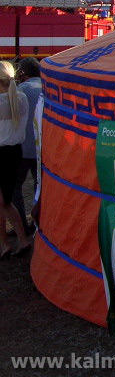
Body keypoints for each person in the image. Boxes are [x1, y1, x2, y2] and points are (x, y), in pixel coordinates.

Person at [0, 61, 32, 258]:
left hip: (2, 153)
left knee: (4, 202)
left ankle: (16, 241)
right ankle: (13, 242)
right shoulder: (21, 98)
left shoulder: (4, 100)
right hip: (15, 153)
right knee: (4, 201)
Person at [13, 58, 42, 235]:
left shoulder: (20, 90)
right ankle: (37, 221)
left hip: (23, 148)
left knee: (16, 187)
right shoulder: (47, 87)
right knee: (39, 186)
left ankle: (21, 225)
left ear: (23, 73)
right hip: (41, 148)